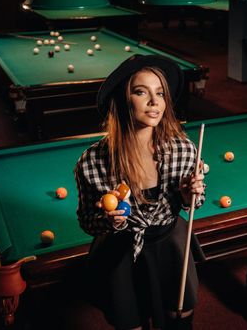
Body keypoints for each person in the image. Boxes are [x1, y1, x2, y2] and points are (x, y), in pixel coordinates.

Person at [74, 54, 206, 330]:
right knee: (130, 322)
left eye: (160, 93)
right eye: (141, 92)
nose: (154, 101)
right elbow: (87, 221)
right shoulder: (92, 161)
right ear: (124, 99)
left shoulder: (183, 149)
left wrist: (188, 194)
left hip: (170, 242)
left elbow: (196, 201)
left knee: (178, 319)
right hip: (120, 249)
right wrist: (108, 221)